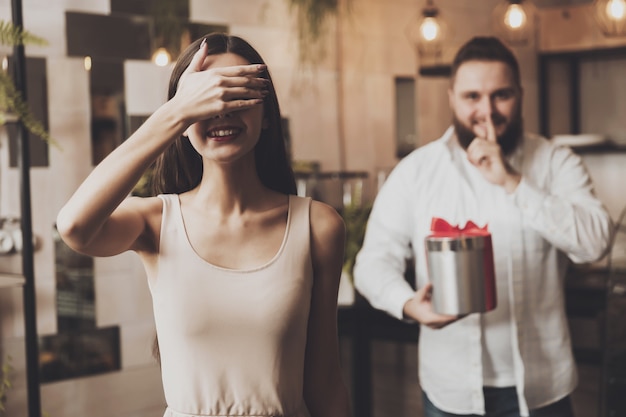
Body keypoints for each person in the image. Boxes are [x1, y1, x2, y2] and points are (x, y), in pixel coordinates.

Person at [56, 33, 352, 417]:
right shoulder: (155, 223)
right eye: (206, 98)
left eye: (236, 95)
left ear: (265, 117)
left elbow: (325, 380)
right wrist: (175, 112)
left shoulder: (317, 226)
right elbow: (74, 226)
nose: (221, 112)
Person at [353, 36, 614, 417]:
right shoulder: (416, 172)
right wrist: (409, 305)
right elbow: (372, 263)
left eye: (501, 95)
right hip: (450, 389)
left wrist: (512, 181)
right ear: (451, 98)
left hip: (543, 388)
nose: (486, 112)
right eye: (472, 96)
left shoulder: (556, 162)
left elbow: (595, 243)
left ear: (520, 95)